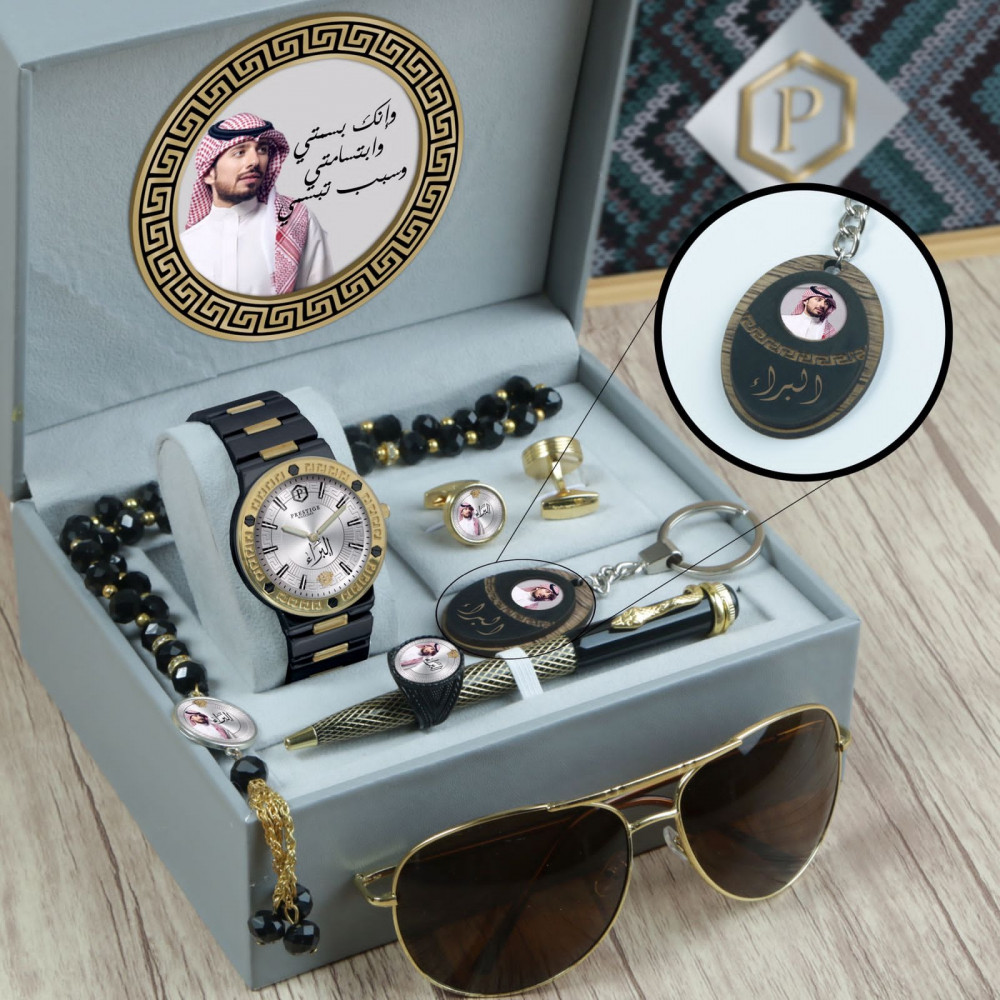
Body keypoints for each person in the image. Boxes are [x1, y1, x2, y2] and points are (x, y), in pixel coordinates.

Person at [181, 113, 334, 296]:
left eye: (262, 149)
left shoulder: (296, 222)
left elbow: (321, 299)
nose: (254, 161)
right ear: (208, 173)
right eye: (239, 152)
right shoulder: (185, 246)